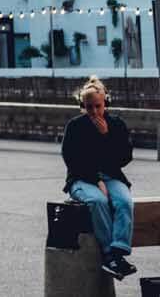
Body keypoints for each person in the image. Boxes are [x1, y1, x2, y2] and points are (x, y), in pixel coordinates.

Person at [63, 77, 137, 280]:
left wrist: (107, 136)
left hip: (111, 176)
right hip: (81, 179)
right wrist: (96, 181)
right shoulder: (75, 126)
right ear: (82, 106)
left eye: (98, 106)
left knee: (123, 201)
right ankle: (108, 254)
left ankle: (118, 252)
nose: (94, 112)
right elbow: (72, 160)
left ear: (106, 103)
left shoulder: (116, 125)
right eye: (89, 107)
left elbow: (124, 158)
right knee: (98, 201)